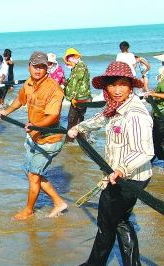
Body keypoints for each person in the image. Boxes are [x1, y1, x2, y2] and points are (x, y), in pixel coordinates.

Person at [67, 61, 154, 266]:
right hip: (123, 176)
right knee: (121, 221)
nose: (117, 90)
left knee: (106, 224)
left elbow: (144, 151)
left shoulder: (135, 114)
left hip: (129, 179)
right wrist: (78, 128)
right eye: (112, 85)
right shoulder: (116, 106)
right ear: (106, 87)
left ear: (130, 85)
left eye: (122, 84)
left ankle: (94, 264)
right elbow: (100, 118)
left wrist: (121, 169)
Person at [0, 51, 67, 220]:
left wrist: (36, 126)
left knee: (34, 176)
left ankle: (29, 210)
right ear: (29, 66)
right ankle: (59, 202)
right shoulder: (28, 83)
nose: (38, 70)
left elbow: (53, 117)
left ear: (47, 68)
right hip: (33, 136)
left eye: (42, 67)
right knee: (31, 173)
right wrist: (6, 111)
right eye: (35, 66)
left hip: (49, 139)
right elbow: (20, 100)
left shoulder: (54, 89)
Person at [63, 48, 92, 142]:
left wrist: (72, 98)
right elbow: (72, 82)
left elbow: (76, 83)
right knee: (78, 118)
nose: (68, 61)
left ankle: (69, 141)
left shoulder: (80, 66)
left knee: (72, 119)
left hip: (79, 98)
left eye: (69, 58)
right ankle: (83, 139)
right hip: (80, 98)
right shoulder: (77, 67)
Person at [145, 67, 164, 161]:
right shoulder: (160, 84)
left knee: (156, 140)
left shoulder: (162, 83)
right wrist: (149, 98)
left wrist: (153, 94)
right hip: (158, 114)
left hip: (161, 115)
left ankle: (156, 160)